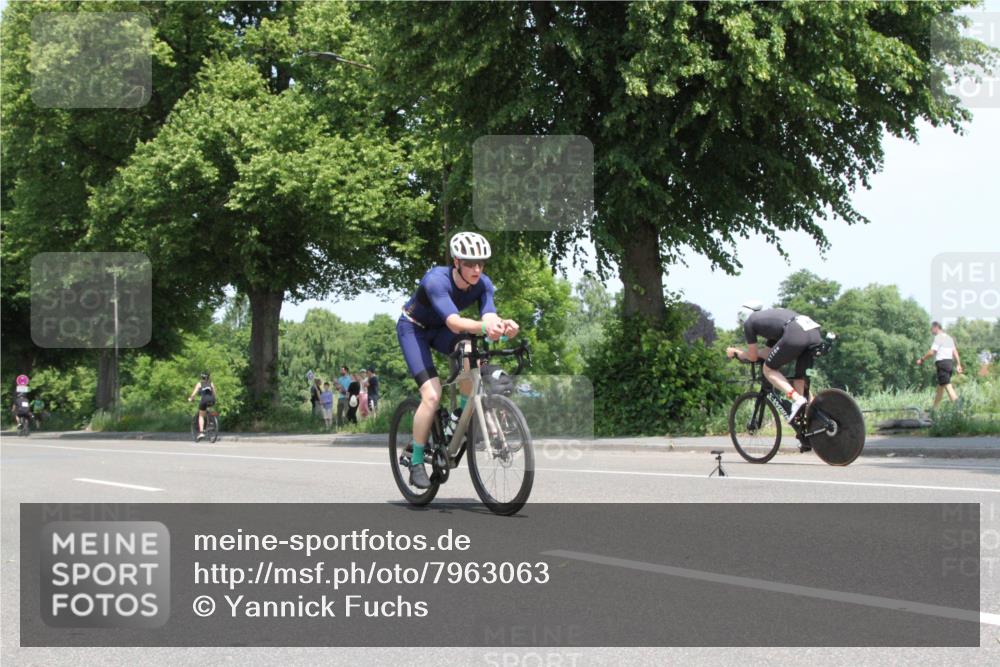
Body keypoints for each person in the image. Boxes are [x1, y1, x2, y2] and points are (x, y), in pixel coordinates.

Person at [396, 231, 520, 489]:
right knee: (431, 395)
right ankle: (416, 460)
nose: (477, 269)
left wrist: (502, 325)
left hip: (441, 329)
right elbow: (453, 322)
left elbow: (487, 316)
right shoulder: (435, 281)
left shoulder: (484, 283)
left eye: (481, 264)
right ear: (456, 262)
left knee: (470, 349)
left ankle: (460, 414)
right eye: (470, 264)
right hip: (414, 329)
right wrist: (484, 328)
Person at [726, 300, 822, 422]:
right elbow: (766, 353)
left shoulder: (749, 322)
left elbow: (753, 357)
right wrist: (753, 354)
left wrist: (736, 352)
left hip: (795, 333)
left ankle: (797, 399)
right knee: (799, 380)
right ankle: (816, 420)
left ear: (743, 316)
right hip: (814, 333)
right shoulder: (770, 322)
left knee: (768, 369)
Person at [917, 321, 963, 408]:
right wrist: (958, 365)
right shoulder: (949, 338)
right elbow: (955, 352)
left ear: (936, 327)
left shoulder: (939, 337)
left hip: (942, 364)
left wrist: (922, 359)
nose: (931, 331)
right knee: (940, 389)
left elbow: (932, 352)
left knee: (948, 386)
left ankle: (960, 409)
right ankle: (934, 410)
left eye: (932, 329)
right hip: (949, 364)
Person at [187, 372, 218, 441]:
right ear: (208, 377)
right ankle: (211, 422)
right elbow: (214, 392)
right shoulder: (211, 383)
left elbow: (194, 393)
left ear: (202, 377)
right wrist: (215, 398)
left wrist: (191, 398)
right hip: (212, 399)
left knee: (201, 415)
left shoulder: (199, 384)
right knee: (209, 409)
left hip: (204, 400)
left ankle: (201, 433)